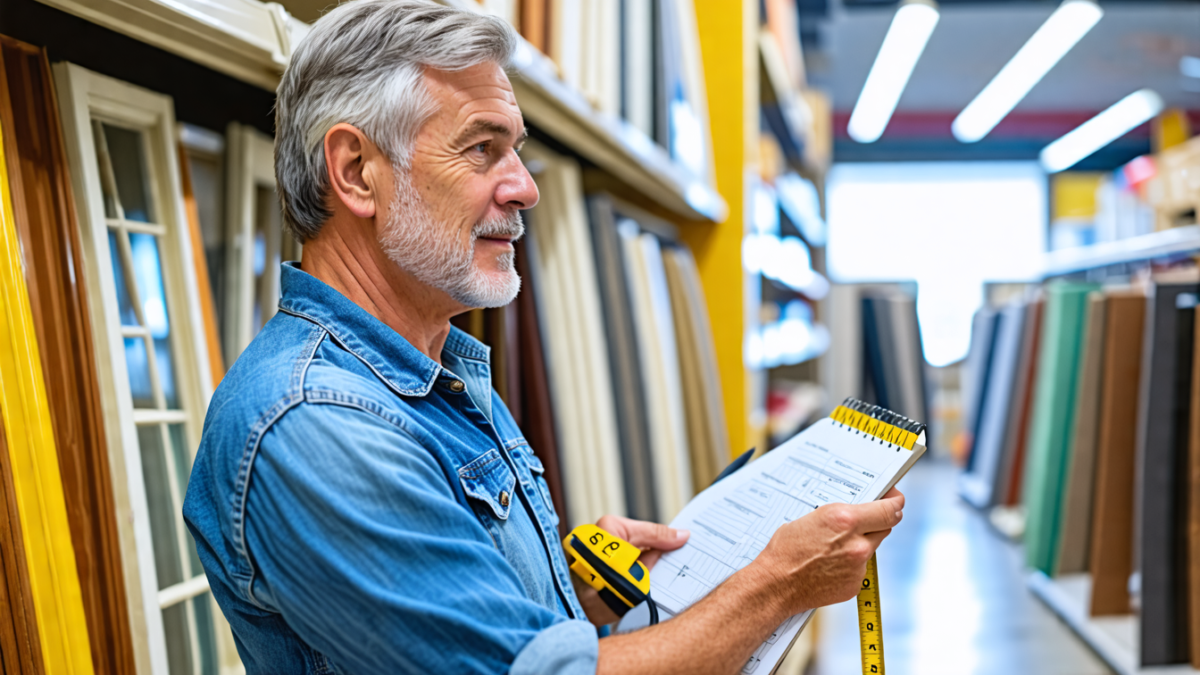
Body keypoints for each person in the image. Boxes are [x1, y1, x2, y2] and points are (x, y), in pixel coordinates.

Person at [182, 1, 905, 673]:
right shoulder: (320, 422)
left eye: (517, 150)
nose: (524, 186)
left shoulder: (433, 374)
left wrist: (575, 595)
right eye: (481, 149)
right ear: (355, 172)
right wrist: (773, 586)